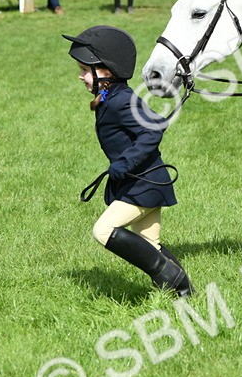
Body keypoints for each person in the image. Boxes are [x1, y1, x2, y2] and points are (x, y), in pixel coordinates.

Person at [63, 26, 191, 296]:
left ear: (106, 71)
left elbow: (154, 128)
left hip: (144, 183)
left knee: (103, 230)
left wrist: (123, 164)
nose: (80, 76)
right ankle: (184, 291)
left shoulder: (122, 100)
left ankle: (172, 277)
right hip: (142, 182)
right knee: (149, 243)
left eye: (85, 70)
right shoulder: (111, 96)